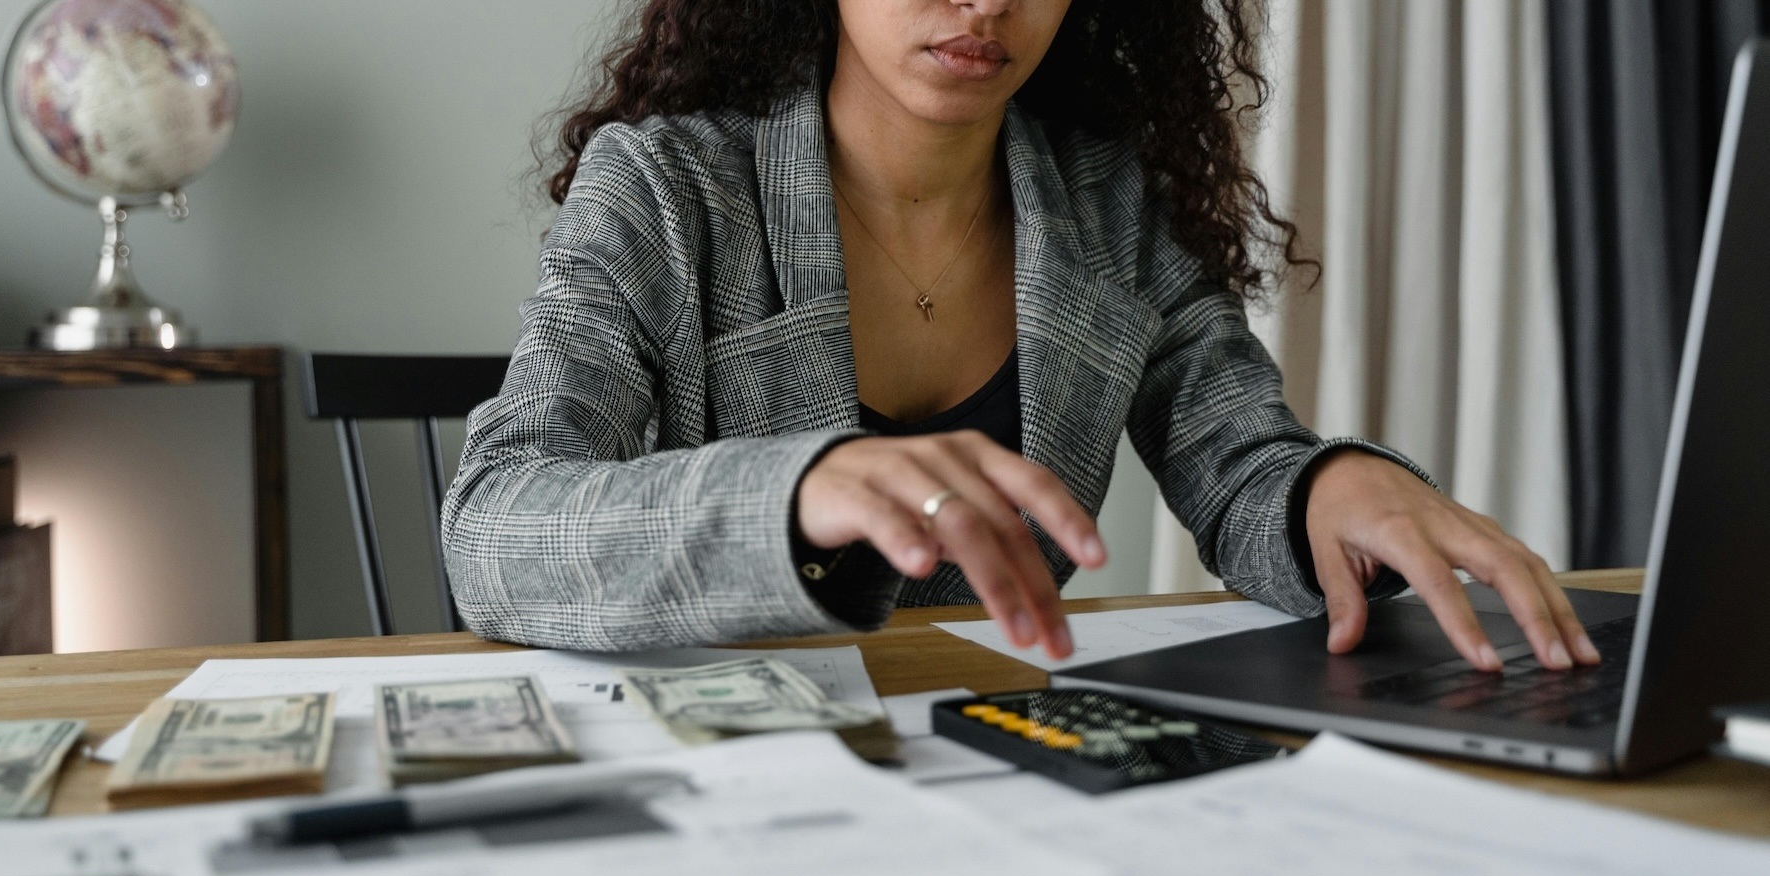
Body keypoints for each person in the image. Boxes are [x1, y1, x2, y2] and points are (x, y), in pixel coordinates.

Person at [442, 0, 1598, 674]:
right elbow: (494, 524)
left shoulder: (1106, 206)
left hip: (1006, 750)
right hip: (742, 766)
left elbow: (1241, 463)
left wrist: (1328, 490)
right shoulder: (665, 184)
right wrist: (800, 490)